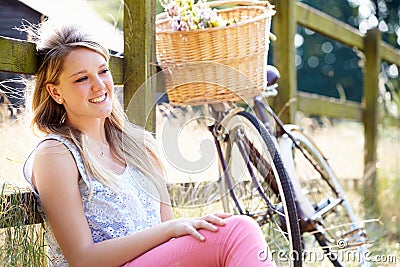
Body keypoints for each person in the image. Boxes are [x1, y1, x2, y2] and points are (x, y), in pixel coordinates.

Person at [23, 20, 276, 267]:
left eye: (103, 71)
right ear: (56, 92)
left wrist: (173, 230)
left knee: (231, 230)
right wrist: (169, 231)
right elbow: (82, 258)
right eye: (81, 79)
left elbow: (171, 241)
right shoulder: (56, 154)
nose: (99, 85)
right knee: (238, 231)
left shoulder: (141, 145)